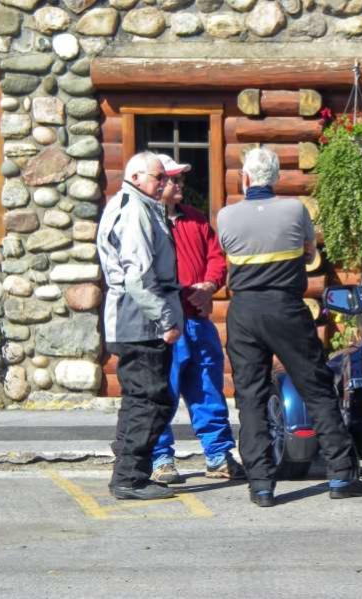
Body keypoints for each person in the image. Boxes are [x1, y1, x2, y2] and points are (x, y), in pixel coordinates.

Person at [217, 147, 362, 507]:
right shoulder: (294, 209)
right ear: (276, 178)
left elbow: (228, 250)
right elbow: (309, 253)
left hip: (245, 309)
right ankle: (341, 474)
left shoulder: (226, 215)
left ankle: (261, 485)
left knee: (251, 396)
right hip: (286, 305)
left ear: (245, 178)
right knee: (316, 388)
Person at [149, 154, 244, 484]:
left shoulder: (196, 219)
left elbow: (217, 258)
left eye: (180, 179)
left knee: (207, 389)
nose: (179, 185)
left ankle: (217, 455)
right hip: (163, 324)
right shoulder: (146, 222)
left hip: (197, 321)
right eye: (173, 179)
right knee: (162, 392)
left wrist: (209, 286)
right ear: (158, 183)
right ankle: (161, 458)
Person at [96, 152, 183, 501]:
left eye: (166, 178)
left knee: (140, 399)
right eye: (158, 177)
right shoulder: (134, 210)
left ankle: (129, 470)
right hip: (140, 320)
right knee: (150, 399)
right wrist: (165, 318)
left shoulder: (136, 205)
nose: (164, 183)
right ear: (135, 177)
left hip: (132, 318)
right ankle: (130, 477)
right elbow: (138, 276)